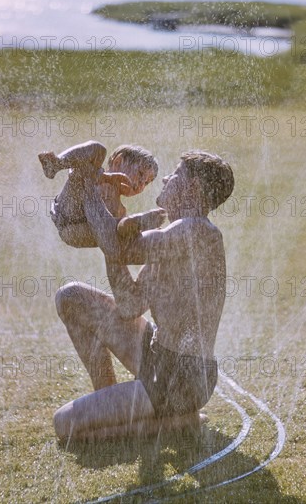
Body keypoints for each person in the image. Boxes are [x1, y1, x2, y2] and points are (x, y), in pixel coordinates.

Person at [53, 151, 234, 440]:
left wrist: (89, 190)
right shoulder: (175, 236)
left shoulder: (198, 232)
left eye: (175, 174)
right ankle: (110, 398)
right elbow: (129, 303)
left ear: (193, 188)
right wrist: (109, 223)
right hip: (155, 354)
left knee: (64, 424)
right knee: (71, 297)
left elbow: (121, 249)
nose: (165, 178)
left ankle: (173, 422)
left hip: (179, 380)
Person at [38, 141, 162, 248]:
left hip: (78, 232)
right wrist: (105, 177)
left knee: (120, 228)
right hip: (67, 211)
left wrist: (150, 232)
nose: (141, 184)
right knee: (98, 150)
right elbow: (78, 171)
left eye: (146, 182)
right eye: (140, 174)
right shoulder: (95, 171)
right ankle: (56, 164)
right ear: (118, 162)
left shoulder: (119, 211)